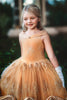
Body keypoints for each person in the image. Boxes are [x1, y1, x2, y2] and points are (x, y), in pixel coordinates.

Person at [0, 4, 67, 100]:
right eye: (25, 19)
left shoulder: (43, 35)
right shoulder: (21, 35)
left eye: (32, 18)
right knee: (23, 91)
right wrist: (10, 68)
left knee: (41, 92)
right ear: (22, 20)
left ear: (39, 18)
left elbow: (51, 55)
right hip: (24, 67)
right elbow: (24, 54)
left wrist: (58, 71)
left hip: (41, 68)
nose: (29, 21)